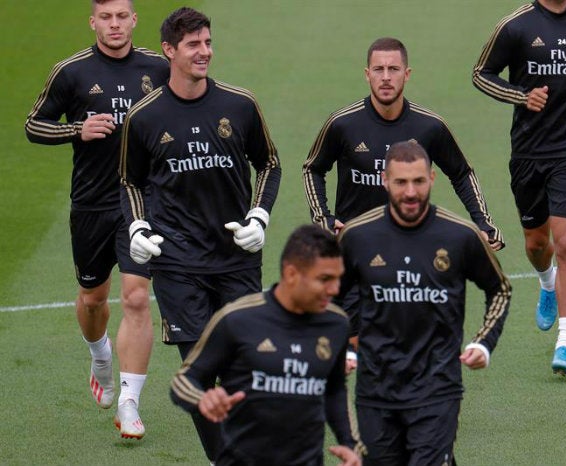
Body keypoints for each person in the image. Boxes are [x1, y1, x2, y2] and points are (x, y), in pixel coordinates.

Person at [119, 7, 281, 462]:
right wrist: (137, 226)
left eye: (208, 42)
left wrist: (259, 218)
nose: (205, 52)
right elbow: (129, 181)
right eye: (194, 44)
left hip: (236, 259)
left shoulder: (239, 104)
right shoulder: (144, 118)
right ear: (170, 51)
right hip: (178, 263)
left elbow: (269, 163)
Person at [25, 0, 169, 439]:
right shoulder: (71, 72)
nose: (114, 25)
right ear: (93, 22)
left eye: (122, 16)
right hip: (90, 204)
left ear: (133, 20)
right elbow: (34, 125)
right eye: (105, 17)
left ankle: (129, 402)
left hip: (140, 205)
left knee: (137, 298)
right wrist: (77, 129)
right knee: (92, 299)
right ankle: (100, 355)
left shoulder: (160, 68)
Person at [337, 140, 511, 465]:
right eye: (401, 182)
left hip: (437, 387)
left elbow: (499, 289)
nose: (411, 192)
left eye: (418, 181)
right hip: (376, 390)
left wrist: (484, 342)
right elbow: (334, 297)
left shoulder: (460, 235)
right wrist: (345, 347)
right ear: (384, 181)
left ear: (432, 178)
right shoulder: (357, 236)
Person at [472, 0, 566, 376]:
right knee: (537, 244)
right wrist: (521, 95)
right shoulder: (515, 26)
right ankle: (546, 283)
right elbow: (481, 74)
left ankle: (565, 342)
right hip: (529, 153)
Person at [170, 225, 362, 466]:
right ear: (291, 274)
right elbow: (184, 381)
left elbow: (335, 390)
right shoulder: (237, 319)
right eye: (324, 279)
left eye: (338, 279)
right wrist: (201, 399)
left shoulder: (336, 324)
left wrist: (350, 444)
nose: (335, 290)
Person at [303, 37, 503, 248]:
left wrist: (484, 223)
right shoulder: (342, 123)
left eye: (394, 69)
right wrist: (323, 218)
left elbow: (462, 173)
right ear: (367, 74)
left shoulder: (430, 126)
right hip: (355, 244)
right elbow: (312, 168)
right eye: (379, 69)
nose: (386, 77)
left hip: (413, 243)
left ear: (406, 74)